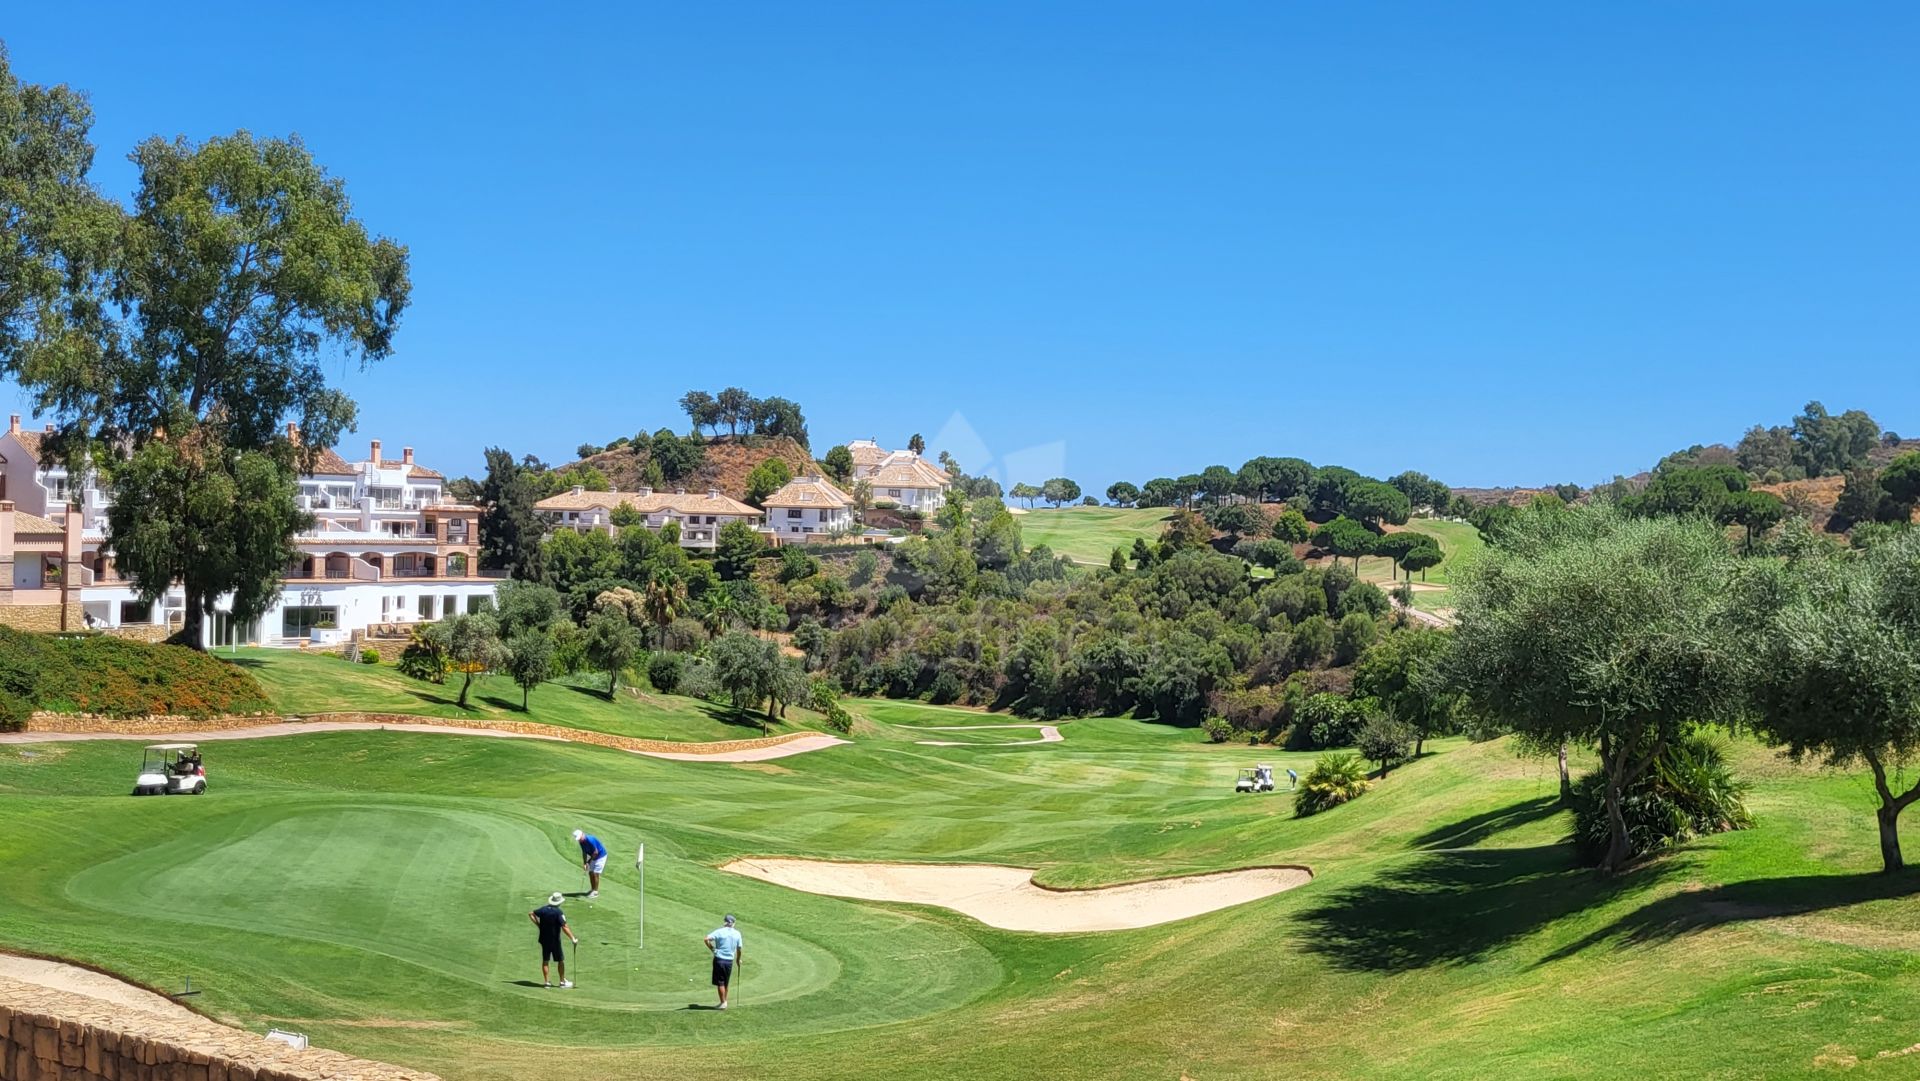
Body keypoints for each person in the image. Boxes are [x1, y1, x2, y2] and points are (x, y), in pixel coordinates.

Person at [528, 891, 578, 988]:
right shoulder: (558, 912)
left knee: (545, 960)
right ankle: (562, 982)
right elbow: (564, 927)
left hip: (543, 939)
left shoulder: (543, 909)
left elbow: (531, 914)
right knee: (560, 960)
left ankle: (547, 982)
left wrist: (539, 925)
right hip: (555, 940)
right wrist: (573, 938)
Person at [704, 914, 743, 1010]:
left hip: (719, 959)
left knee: (720, 982)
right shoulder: (737, 933)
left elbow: (706, 939)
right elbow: (739, 948)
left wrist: (713, 949)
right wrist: (738, 959)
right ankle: (724, 1001)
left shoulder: (719, 931)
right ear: (733, 924)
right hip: (729, 961)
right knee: (726, 982)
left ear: (725, 922)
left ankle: (723, 1003)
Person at [573, 829, 607, 898]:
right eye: (578, 839)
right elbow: (584, 852)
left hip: (601, 856)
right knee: (590, 873)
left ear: (582, 834)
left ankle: (595, 892)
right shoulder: (581, 842)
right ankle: (592, 889)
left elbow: (596, 852)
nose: (579, 840)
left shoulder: (590, 839)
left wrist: (589, 862)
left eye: (580, 838)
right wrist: (585, 863)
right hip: (594, 857)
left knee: (595, 873)